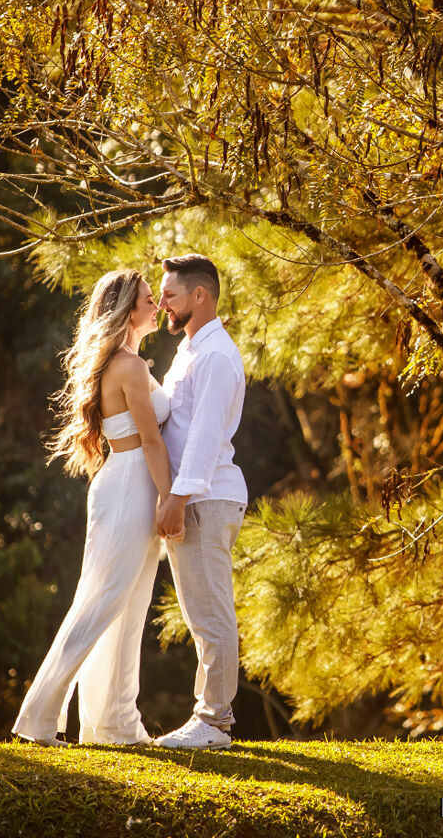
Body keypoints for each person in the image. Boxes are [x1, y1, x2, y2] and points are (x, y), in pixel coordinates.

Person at [12, 269, 173, 746]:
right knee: (102, 601)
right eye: (148, 299)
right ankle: (39, 720)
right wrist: (171, 500)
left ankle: (114, 724)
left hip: (127, 483)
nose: (157, 306)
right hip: (129, 487)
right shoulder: (129, 367)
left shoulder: (129, 362)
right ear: (127, 309)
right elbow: (151, 441)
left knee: (130, 608)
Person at [151, 253, 247, 751]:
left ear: (199, 295)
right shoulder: (190, 349)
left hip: (205, 500)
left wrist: (176, 498)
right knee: (200, 613)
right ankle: (211, 717)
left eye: (169, 294)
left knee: (211, 614)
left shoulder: (214, 356)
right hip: (193, 498)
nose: (162, 303)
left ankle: (213, 722)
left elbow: (205, 438)